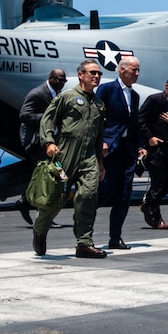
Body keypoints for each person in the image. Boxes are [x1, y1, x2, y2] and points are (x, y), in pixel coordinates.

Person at [30, 59, 107, 259]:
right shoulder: (68, 97)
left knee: (88, 196)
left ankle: (84, 243)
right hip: (65, 154)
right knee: (55, 199)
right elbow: (48, 118)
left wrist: (100, 161)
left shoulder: (99, 105)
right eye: (92, 73)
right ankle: (40, 229)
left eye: (98, 74)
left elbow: (99, 136)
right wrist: (48, 142)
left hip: (89, 156)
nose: (96, 76)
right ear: (81, 75)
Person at [96, 57, 147, 250]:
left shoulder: (134, 96)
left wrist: (140, 146)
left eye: (138, 70)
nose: (137, 73)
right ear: (122, 70)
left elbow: (133, 126)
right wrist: (100, 141)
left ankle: (115, 237)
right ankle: (83, 225)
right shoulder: (107, 90)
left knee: (124, 196)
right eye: (134, 69)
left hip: (127, 151)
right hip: (110, 150)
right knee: (105, 192)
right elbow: (97, 118)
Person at [15, 68, 68, 224]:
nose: (61, 83)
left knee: (54, 178)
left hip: (52, 143)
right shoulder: (37, 93)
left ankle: (25, 202)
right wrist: (48, 118)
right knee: (48, 178)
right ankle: (43, 215)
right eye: (59, 80)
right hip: (38, 143)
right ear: (50, 78)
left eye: (63, 81)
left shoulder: (59, 95)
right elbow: (24, 115)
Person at [138, 75, 168, 230]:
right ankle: (155, 218)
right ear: (166, 86)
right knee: (158, 183)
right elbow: (140, 121)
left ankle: (148, 202)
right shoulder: (154, 100)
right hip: (154, 147)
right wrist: (149, 138)